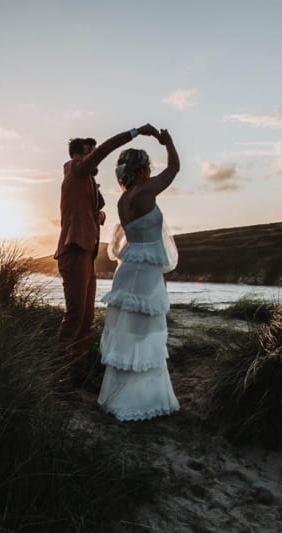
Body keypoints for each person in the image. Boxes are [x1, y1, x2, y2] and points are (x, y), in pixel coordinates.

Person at [55, 124, 159, 384]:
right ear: (78, 156)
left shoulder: (86, 180)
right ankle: (56, 377)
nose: (94, 157)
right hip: (74, 251)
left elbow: (78, 209)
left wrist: (97, 215)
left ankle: (76, 374)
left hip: (86, 254)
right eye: (89, 152)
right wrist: (134, 133)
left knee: (87, 319)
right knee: (75, 316)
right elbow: (104, 150)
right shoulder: (76, 170)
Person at [98, 128, 180, 421]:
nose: (150, 171)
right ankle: (137, 402)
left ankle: (119, 397)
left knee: (128, 333)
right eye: (148, 167)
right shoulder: (145, 192)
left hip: (129, 268)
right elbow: (174, 169)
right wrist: (167, 142)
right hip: (144, 273)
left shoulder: (122, 201)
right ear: (143, 169)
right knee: (145, 333)